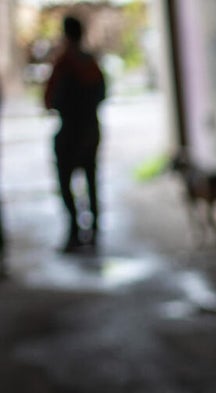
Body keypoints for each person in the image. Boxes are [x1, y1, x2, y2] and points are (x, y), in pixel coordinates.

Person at [43, 14, 105, 252]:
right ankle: (94, 231)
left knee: (66, 182)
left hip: (69, 131)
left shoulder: (64, 64)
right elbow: (102, 94)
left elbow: (49, 99)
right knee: (91, 180)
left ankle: (74, 232)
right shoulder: (90, 63)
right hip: (90, 129)